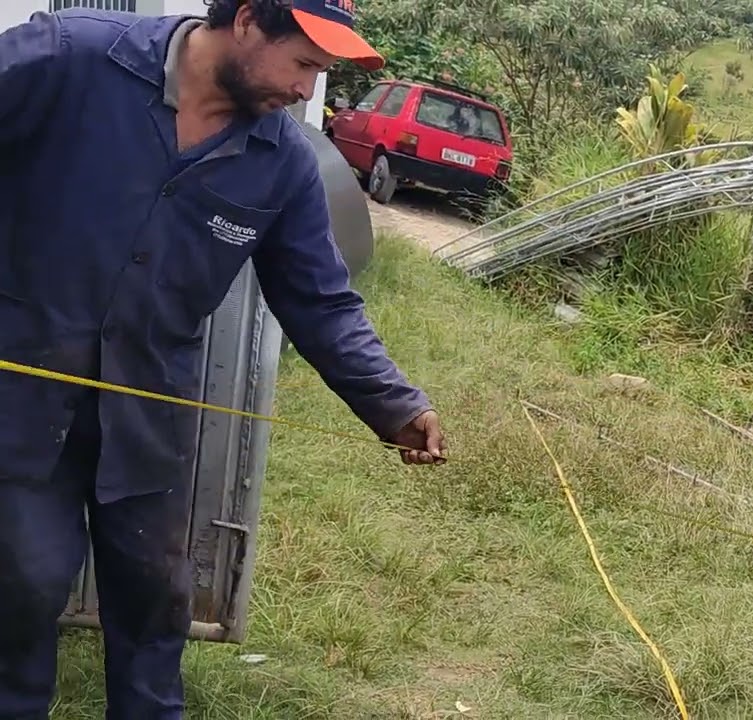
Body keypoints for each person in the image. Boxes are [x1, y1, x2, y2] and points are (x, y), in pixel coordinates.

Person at [0, 0, 446, 717]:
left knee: (153, 608)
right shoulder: (70, 59)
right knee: (21, 588)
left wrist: (394, 403)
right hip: (17, 405)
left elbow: (320, 301)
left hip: (147, 417)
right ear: (244, 21)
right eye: (303, 63)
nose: (307, 90)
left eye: (321, 72)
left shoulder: (283, 165)